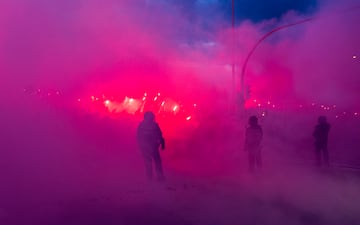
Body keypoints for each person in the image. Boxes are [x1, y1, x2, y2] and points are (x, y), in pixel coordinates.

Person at [136, 111, 166, 181]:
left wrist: (162, 143)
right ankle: (155, 177)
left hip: (151, 147)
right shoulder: (149, 125)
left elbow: (159, 135)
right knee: (153, 162)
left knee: (152, 162)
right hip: (149, 147)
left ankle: (155, 177)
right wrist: (162, 143)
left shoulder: (143, 125)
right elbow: (139, 137)